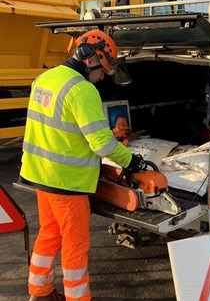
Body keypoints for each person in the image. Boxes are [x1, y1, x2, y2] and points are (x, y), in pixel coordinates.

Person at [19, 30, 143, 301]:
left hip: (40, 174)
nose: (102, 77)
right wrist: (131, 161)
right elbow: (100, 144)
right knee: (76, 245)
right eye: (103, 70)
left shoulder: (45, 78)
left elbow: (58, 127)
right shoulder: (82, 89)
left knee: (49, 233)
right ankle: (78, 298)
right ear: (90, 59)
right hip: (67, 182)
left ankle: (39, 293)